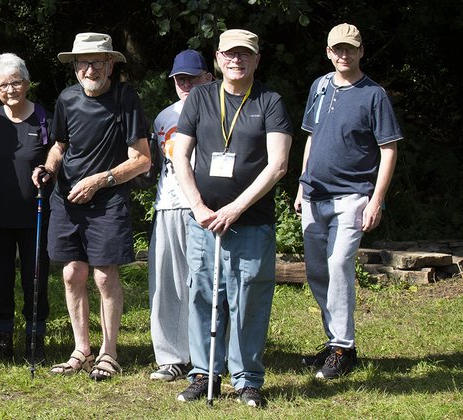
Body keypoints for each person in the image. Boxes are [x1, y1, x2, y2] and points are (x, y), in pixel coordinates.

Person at [171, 29, 292, 408]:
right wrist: (199, 208)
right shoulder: (201, 98)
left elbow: (278, 165)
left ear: (256, 59)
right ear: (217, 57)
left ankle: (247, 379)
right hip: (204, 221)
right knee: (204, 295)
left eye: (244, 54)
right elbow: (180, 157)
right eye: (229, 53)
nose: (236, 60)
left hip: (252, 221)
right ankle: (204, 374)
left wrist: (235, 208)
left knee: (249, 299)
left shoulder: (270, 101)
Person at [32, 32, 151, 381]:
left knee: (103, 275)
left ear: (110, 64)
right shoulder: (67, 99)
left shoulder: (125, 98)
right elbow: (59, 145)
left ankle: (109, 353)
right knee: (72, 273)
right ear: (74, 67)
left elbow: (142, 159)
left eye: (96, 62)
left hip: (107, 201)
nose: (89, 69)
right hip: (67, 200)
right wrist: (49, 169)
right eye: (82, 62)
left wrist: (100, 180)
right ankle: (80, 350)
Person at [295, 23, 402, 380]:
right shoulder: (320, 86)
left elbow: (388, 150)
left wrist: (376, 200)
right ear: (328, 52)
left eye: (350, 49)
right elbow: (310, 138)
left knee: (339, 266)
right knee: (317, 272)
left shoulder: (375, 94)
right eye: (337, 49)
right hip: (313, 196)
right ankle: (333, 344)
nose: (344, 55)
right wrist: (300, 184)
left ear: (361, 52)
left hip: (352, 197)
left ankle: (343, 347)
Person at [0, 53, 53, 364]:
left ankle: (35, 339)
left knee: (36, 277)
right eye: (3, 84)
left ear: (27, 83)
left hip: (35, 214)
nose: (11, 89)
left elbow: (55, 161)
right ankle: (3, 339)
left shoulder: (45, 118)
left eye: (16, 82)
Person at [147, 49, 213, 381]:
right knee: (167, 284)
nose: (185, 84)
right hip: (168, 205)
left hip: (207, 207)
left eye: (192, 77)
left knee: (205, 284)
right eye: (179, 79)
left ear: (208, 78)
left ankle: (208, 356)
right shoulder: (163, 118)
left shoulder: (220, 112)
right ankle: (171, 357)